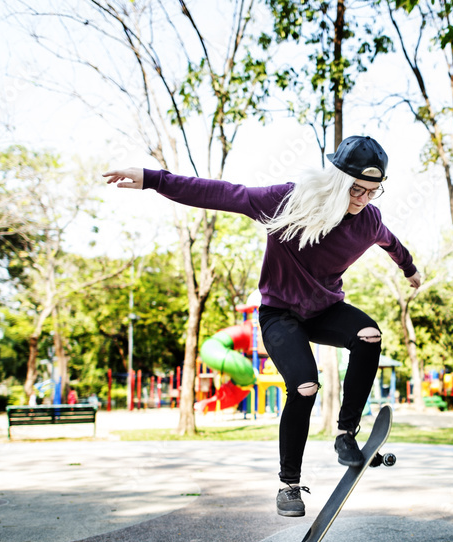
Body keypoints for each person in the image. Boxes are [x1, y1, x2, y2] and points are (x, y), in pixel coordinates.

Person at [103, 135, 421, 517]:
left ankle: (345, 434)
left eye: (373, 191)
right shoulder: (289, 200)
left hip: (324, 310)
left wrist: (410, 269)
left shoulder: (369, 220)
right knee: (305, 386)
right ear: (335, 178)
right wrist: (153, 178)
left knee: (369, 335)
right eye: (356, 189)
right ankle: (289, 485)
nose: (363, 199)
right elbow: (221, 193)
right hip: (280, 315)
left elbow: (392, 242)